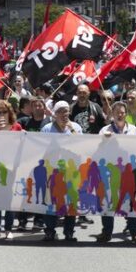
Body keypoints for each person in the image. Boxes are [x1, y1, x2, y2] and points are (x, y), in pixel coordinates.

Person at [97, 101, 136, 244]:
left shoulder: (134, 130)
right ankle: (107, 232)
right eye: (117, 112)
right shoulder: (104, 130)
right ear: (112, 114)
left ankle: (135, 232)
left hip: (130, 173)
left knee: (130, 202)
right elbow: (98, 151)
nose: (120, 115)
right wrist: (104, 140)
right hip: (111, 173)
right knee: (108, 202)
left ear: (126, 114)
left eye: (122, 112)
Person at [40, 100, 82, 242]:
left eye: (66, 111)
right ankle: (49, 231)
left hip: (71, 171)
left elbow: (82, 146)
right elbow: (41, 148)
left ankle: (69, 232)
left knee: (71, 202)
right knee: (51, 201)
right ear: (55, 114)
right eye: (61, 111)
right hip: (53, 171)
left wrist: (71, 130)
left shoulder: (75, 127)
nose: (65, 114)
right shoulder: (47, 128)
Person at [0, 100, 22, 240]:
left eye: (4, 112)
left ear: (9, 113)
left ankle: (8, 228)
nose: (1, 115)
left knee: (9, 199)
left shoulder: (16, 127)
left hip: (11, 167)